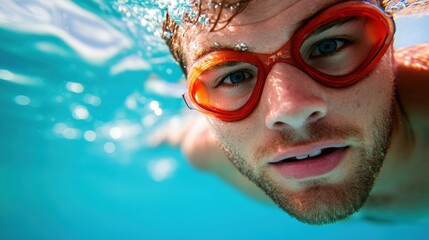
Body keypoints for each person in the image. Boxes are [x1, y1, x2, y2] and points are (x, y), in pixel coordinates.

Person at [153, 0, 429, 225]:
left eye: (328, 46)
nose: (291, 110)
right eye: (235, 77)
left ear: (389, 48)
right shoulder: (203, 151)